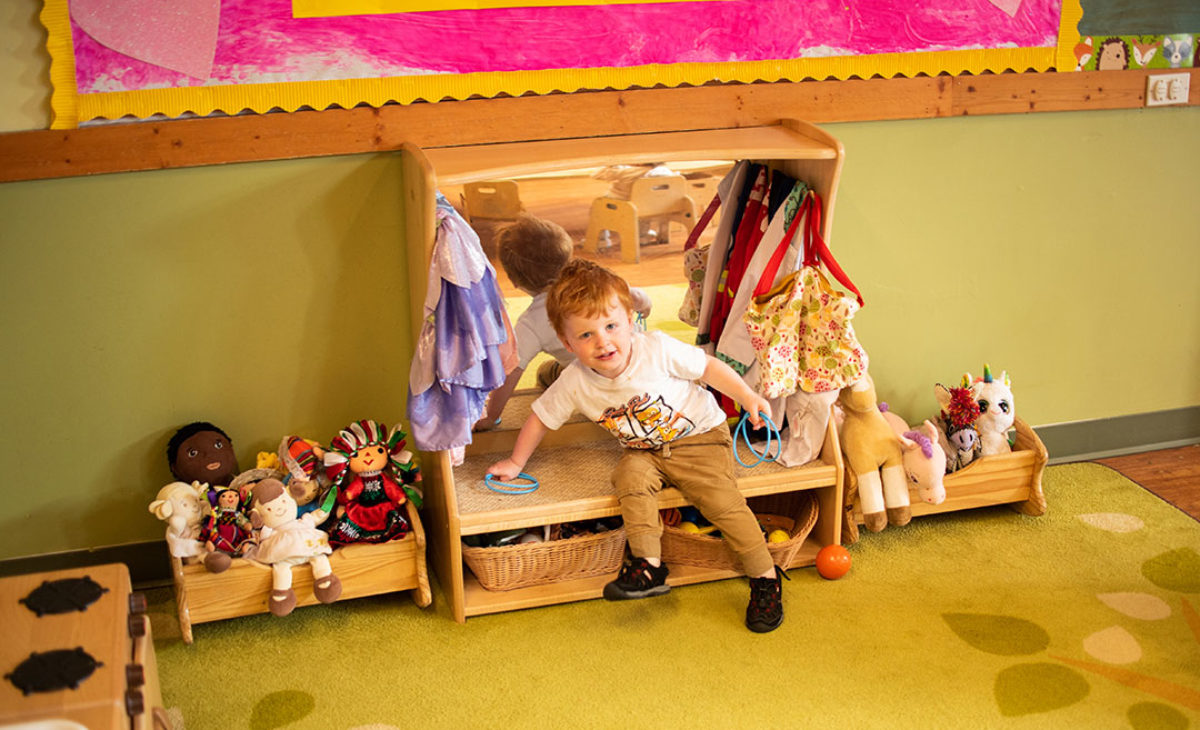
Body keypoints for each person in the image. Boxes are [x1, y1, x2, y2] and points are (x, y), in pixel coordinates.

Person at [485, 259, 786, 632]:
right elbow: (541, 418)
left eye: (611, 326)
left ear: (630, 320)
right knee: (628, 476)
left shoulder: (655, 348)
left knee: (724, 505)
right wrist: (515, 462)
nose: (603, 342)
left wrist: (747, 396)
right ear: (566, 343)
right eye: (586, 335)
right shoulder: (574, 380)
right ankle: (649, 566)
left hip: (699, 439)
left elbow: (707, 368)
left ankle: (766, 578)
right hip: (644, 450)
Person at [475, 215, 649, 430]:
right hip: (646, 370)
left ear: (514, 281)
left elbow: (512, 370)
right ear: (568, 257)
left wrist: (491, 416)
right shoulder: (601, 284)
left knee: (548, 372)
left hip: (604, 392)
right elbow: (640, 298)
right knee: (557, 368)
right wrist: (644, 308)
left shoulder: (531, 323)